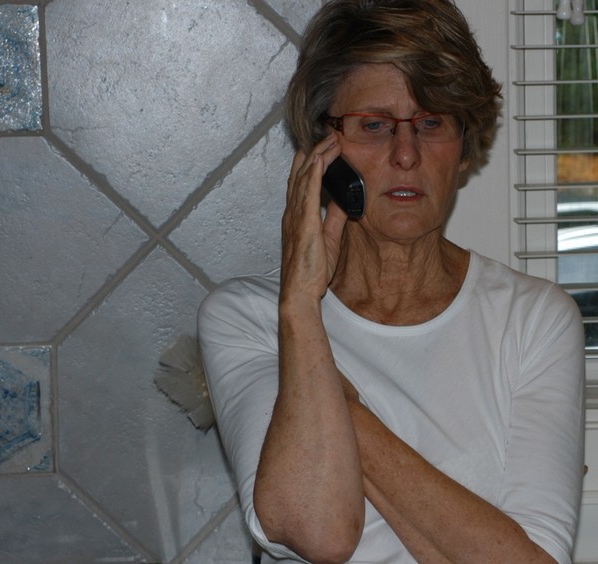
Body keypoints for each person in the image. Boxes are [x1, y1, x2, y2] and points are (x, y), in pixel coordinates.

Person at [198, 0, 586, 562]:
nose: (406, 154)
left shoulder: (534, 321)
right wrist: (301, 307)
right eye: (374, 125)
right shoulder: (250, 318)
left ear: (464, 146)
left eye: (431, 123)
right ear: (321, 148)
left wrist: (346, 408)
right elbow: (317, 531)